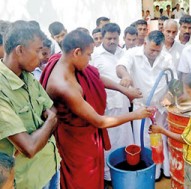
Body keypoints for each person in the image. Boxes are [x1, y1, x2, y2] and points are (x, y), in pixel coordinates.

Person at [40, 30, 151, 189]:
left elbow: (94, 76)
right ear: (77, 52)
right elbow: (100, 121)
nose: (90, 59)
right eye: (89, 55)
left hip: (88, 135)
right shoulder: (63, 86)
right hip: (75, 141)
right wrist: (135, 114)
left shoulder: (66, 60)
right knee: (82, 181)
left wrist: (123, 90)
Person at [0, 20, 60, 189]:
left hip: (50, 166)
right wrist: (49, 122)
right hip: (27, 181)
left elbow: (52, 109)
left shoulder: (28, 77)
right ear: (20, 50)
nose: (42, 57)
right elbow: (30, 147)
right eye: (38, 51)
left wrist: (40, 132)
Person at [116, 30, 177, 180]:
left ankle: (164, 171)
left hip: (160, 108)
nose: (154, 53)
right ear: (144, 43)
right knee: (143, 140)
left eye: (158, 50)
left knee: (161, 139)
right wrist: (126, 76)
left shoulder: (166, 58)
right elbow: (121, 67)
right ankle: (149, 173)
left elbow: (174, 82)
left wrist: (168, 99)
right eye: (151, 50)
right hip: (141, 108)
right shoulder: (133, 54)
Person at [90, 23, 136, 182]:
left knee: (124, 139)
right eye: (108, 38)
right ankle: (108, 177)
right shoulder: (95, 55)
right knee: (108, 143)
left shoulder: (124, 53)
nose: (111, 41)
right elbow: (94, 81)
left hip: (123, 104)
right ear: (102, 37)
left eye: (115, 38)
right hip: (106, 107)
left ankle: (124, 172)